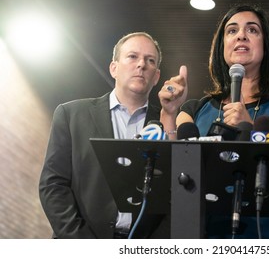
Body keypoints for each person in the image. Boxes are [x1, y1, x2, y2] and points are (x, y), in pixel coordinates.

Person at [176, 4, 269, 238]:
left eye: (252, 30)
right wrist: (168, 112)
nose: (241, 35)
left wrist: (253, 133)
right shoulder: (193, 111)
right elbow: (172, 178)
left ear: (266, 45)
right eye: (232, 31)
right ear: (222, 45)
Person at [39, 32, 188, 238]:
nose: (141, 64)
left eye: (150, 60)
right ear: (114, 68)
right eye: (132, 56)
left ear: (156, 77)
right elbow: (53, 185)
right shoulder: (71, 115)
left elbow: (177, 197)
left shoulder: (168, 124)